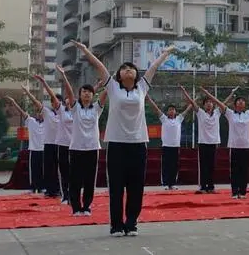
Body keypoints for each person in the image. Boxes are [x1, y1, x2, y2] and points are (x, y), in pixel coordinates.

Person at [72, 40, 175, 237]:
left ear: (136, 74)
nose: (128, 70)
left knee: (136, 186)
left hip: (138, 143)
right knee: (117, 186)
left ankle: (131, 222)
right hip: (117, 144)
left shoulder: (142, 87)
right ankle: (116, 225)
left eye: (131, 68)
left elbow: (153, 68)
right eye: (124, 68)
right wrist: (85, 50)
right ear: (119, 75)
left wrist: (165, 53)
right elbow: (99, 66)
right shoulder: (112, 87)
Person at [201, 88, 249, 199]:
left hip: (246, 146)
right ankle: (235, 192)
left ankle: (243, 192)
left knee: (244, 170)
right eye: (238, 101)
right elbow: (219, 102)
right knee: (234, 171)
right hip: (234, 146)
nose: (241, 102)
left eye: (242, 101)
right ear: (235, 104)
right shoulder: (230, 113)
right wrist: (208, 93)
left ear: (245, 104)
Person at [61, 71, 107, 216]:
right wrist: (64, 76)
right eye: (84, 92)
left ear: (93, 95)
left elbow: (105, 93)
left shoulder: (97, 108)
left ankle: (86, 206)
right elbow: (69, 93)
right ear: (80, 95)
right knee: (75, 179)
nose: (87, 94)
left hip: (92, 148)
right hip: (76, 148)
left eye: (89, 92)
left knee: (89, 180)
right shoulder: (75, 108)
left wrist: (109, 82)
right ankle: (76, 207)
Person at [182, 86, 238, 194]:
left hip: (213, 143)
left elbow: (224, 103)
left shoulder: (217, 112)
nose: (209, 104)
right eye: (207, 102)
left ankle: (211, 187)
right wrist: (184, 92)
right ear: (204, 105)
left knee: (212, 166)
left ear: (213, 105)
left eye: (211, 102)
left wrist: (231, 93)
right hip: (203, 143)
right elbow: (192, 103)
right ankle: (203, 187)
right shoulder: (200, 113)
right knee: (203, 166)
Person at [33, 71, 74, 204]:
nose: (66, 102)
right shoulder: (59, 112)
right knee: (55, 169)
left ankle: (70, 193)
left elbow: (84, 95)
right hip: (58, 144)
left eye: (68, 101)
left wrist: (99, 87)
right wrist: (43, 82)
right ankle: (58, 192)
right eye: (63, 101)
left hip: (73, 145)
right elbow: (50, 97)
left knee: (71, 171)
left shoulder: (76, 111)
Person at [20, 82, 61, 199]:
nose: (56, 103)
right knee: (48, 169)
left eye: (59, 102)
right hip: (48, 145)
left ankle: (60, 190)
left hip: (60, 145)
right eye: (54, 101)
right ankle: (49, 190)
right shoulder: (47, 113)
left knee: (59, 169)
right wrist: (27, 92)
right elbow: (36, 102)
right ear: (52, 104)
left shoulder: (65, 113)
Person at [145, 96, 191, 190]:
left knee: (174, 165)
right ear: (167, 112)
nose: (172, 111)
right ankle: (165, 183)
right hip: (166, 146)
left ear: (175, 112)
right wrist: (149, 99)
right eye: (170, 110)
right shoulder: (164, 119)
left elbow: (187, 110)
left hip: (176, 146)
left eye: (173, 110)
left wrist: (192, 102)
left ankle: (172, 183)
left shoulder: (179, 119)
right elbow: (156, 109)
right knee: (166, 165)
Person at [6, 96, 45, 193]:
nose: (40, 114)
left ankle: (42, 187)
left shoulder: (48, 123)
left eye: (41, 112)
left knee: (43, 170)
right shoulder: (31, 121)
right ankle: (33, 187)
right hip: (34, 150)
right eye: (38, 112)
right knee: (33, 170)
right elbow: (22, 112)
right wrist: (14, 102)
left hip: (45, 150)